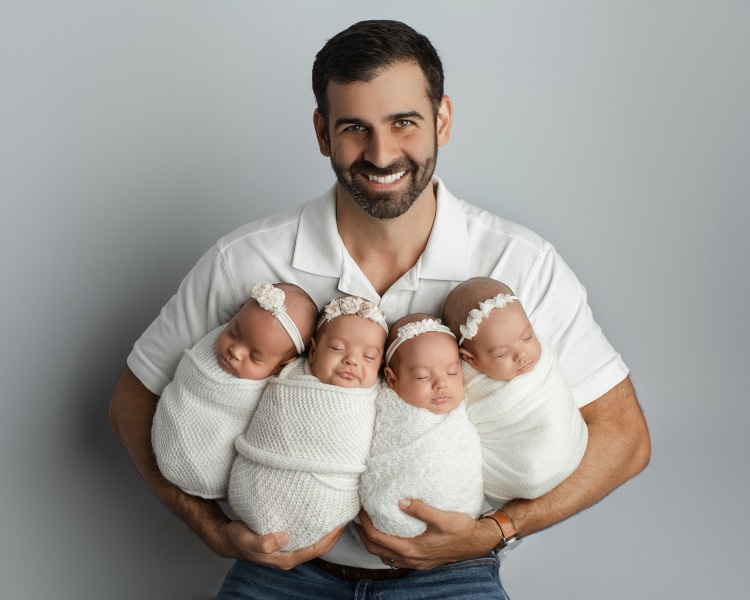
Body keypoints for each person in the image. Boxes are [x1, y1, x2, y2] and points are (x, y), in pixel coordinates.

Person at [109, 19, 650, 599]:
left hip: (452, 574)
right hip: (281, 575)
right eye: (354, 128)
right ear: (322, 132)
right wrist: (214, 530)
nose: (382, 152)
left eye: (404, 122)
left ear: (441, 119)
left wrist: (496, 531)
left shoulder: (521, 264)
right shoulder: (248, 261)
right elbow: (130, 403)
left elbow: (624, 438)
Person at [228, 296, 388, 550]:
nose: (352, 360)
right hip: (258, 479)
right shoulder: (288, 375)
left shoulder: (378, 397)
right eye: (337, 348)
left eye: (368, 356)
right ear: (312, 352)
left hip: (330, 504)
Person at [151, 281, 317, 499]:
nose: (235, 351)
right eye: (234, 333)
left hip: (214, 463)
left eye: (255, 357)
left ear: (281, 366)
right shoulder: (214, 345)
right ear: (238, 312)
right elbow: (185, 383)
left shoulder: (274, 391)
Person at [442, 277, 588, 505]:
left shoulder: (541, 363)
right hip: (514, 471)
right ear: (471, 359)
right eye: (502, 354)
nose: (522, 354)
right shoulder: (463, 379)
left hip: (568, 446)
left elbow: (557, 401)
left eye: (527, 337)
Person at [359, 314, 484, 539]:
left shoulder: (464, 411)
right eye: (422, 376)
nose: (441, 383)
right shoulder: (382, 408)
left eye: (453, 372)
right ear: (392, 379)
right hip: (388, 521)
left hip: (461, 528)